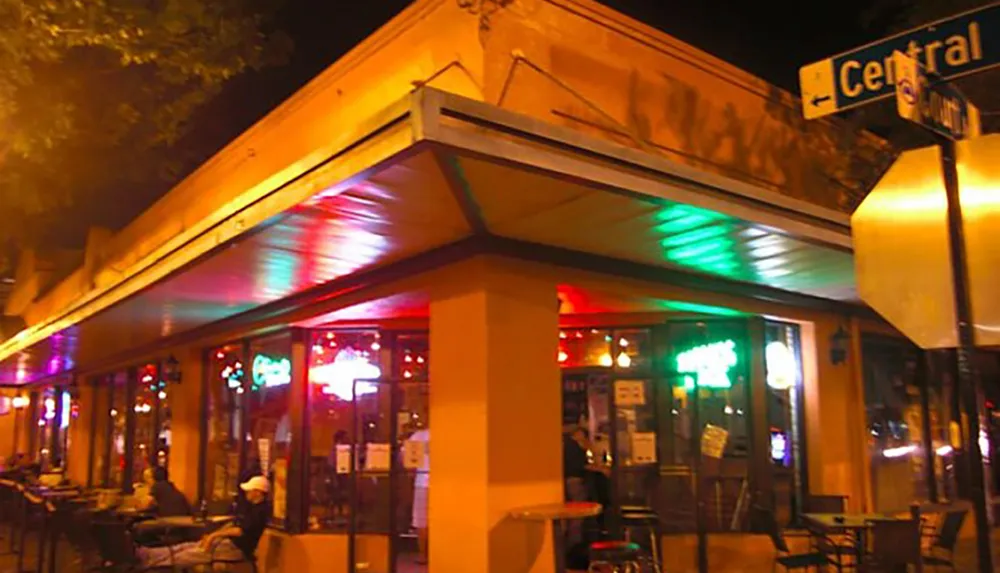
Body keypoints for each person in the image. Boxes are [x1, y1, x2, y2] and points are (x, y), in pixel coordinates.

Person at [138, 476, 272, 568]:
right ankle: (148, 553)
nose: (246, 493)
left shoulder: (260, 511)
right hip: (227, 542)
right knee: (187, 546)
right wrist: (212, 535)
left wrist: (214, 536)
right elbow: (234, 523)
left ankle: (149, 562)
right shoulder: (250, 507)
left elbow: (240, 530)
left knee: (189, 554)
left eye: (249, 490)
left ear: (258, 492)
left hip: (236, 548)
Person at [408, 426, 430, 565]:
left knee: (421, 521)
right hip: (444, 484)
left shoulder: (418, 436)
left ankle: (423, 555)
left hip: (422, 482)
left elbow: (408, 461)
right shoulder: (449, 434)